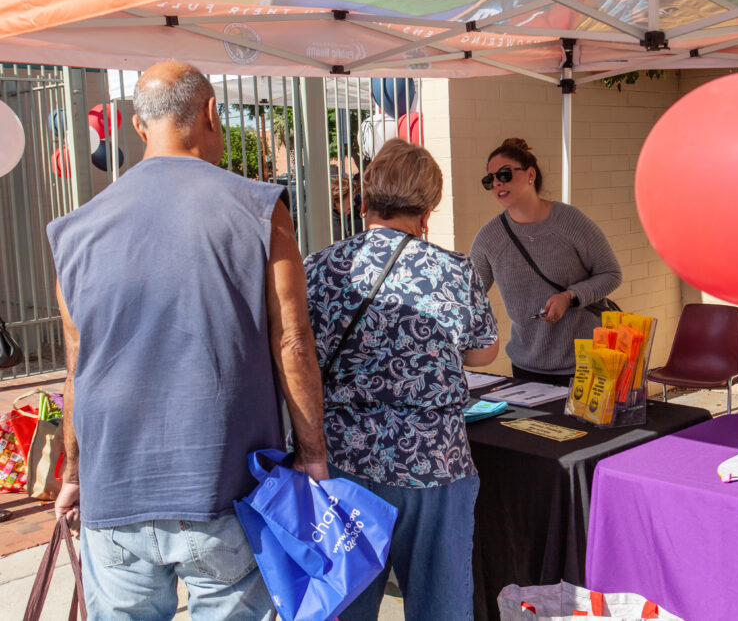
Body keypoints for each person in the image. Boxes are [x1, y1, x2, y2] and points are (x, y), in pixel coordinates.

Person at [46, 61, 328, 620]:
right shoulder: (258, 208)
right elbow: (293, 342)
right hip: (222, 485)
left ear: (137, 125)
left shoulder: (73, 229)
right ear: (210, 113)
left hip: (114, 486)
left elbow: (76, 368)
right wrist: (314, 455)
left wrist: (74, 474)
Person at [305, 138, 499, 620]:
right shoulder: (455, 271)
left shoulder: (322, 268)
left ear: (365, 201)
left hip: (345, 463)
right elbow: (484, 350)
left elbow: (295, 353)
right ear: (428, 207)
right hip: (435, 462)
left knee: (344, 606)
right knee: (440, 608)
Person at [470, 137, 621, 386]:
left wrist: (570, 296)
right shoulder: (489, 238)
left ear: (530, 174)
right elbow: (468, 295)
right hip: (526, 367)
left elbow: (611, 273)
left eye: (504, 174)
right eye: (490, 179)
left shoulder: (570, 221)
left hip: (586, 364)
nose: (497, 182)